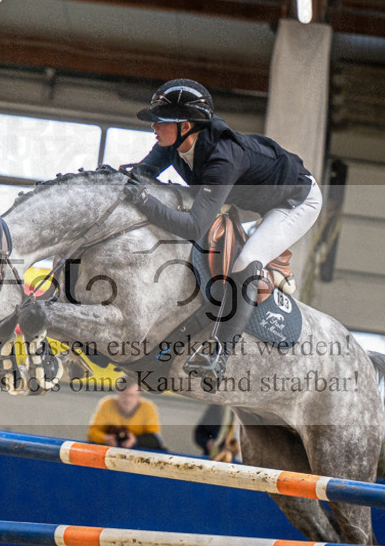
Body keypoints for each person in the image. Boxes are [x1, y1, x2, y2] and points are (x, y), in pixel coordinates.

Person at [123, 78, 322, 388]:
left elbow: (193, 226)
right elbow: (141, 175)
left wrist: (145, 202)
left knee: (248, 259)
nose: (154, 127)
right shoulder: (172, 144)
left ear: (186, 125)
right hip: (247, 195)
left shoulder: (222, 158)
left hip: (294, 201)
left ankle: (219, 354)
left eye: (162, 121)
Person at [88, 380, 165, 450]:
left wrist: (135, 440)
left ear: (139, 396)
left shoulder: (148, 408)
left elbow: (155, 438)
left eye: (131, 395)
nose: (127, 400)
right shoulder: (107, 404)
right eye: (124, 394)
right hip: (110, 450)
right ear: (118, 394)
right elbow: (92, 432)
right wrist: (105, 438)